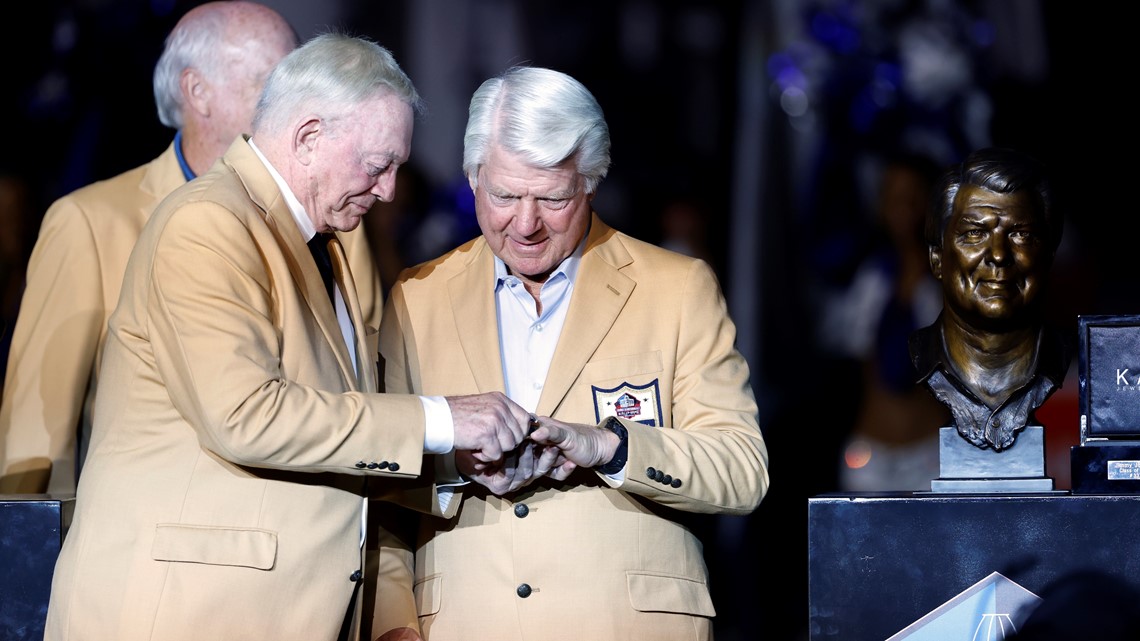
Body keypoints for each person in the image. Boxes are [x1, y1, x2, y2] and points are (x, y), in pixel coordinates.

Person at [44, 33, 534, 641]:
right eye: (378, 164)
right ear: (307, 138)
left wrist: (450, 462)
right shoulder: (206, 223)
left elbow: (333, 436)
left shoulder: (327, 245)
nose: (387, 190)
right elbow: (246, 415)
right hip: (184, 614)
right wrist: (441, 421)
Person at [374, 66, 770, 641]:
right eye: (504, 195)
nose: (526, 224)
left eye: (553, 198)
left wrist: (610, 447)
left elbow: (742, 471)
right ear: (471, 178)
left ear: (592, 183)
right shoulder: (415, 297)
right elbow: (378, 488)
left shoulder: (677, 288)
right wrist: (394, 625)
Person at [0, 2, 368, 495]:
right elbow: (36, 437)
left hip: (316, 550)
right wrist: (34, 558)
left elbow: (367, 392)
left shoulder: (340, 227)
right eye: (273, 83)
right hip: (153, 553)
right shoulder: (89, 223)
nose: (299, 105)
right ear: (197, 91)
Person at [909, 147, 1069, 452]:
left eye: (1020, 234)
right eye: (974, 233)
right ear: (937, 258)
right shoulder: (921, 357)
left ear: (1048, 256)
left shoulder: (1067, 355)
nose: (998, 255)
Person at [824, 152, 950, 491]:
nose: (904, 211)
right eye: (895, 199)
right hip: (870, 451)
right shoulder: (869, 281)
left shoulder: (949, 285)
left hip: (929, 451)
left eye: (914, 198)